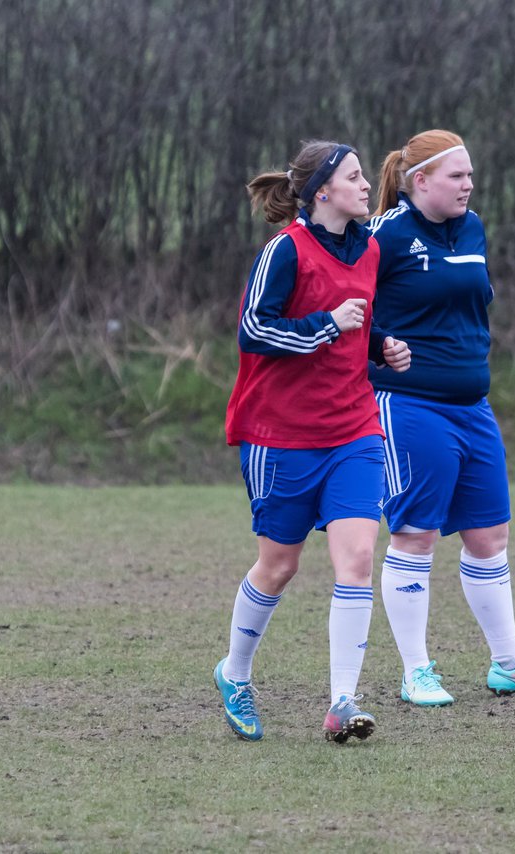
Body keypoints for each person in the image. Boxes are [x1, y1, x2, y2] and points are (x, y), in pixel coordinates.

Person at [367, 129, 515, 706]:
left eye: (470, 174)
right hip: (409, 406)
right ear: (420, 182)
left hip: (473, 408)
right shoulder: (384, 234)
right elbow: (347, 310)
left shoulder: (474, 226)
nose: (468, 184)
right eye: (457, 175)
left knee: (489, 537)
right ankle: (417, 671)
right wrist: (379, 345)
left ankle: (509, 663)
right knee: (416, 535)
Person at [213, 140, 413, 743]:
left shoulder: (371, 248)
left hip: (354, 428)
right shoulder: (285, 250)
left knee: (356, 558)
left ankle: (342, 701)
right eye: (354, 176)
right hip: (282, 436)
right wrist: (328, 326)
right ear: (322, 190)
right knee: (280, 566)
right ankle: (235, 673)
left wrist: (382, 345)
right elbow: (253, 330)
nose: (364, 184)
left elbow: (362, 317)